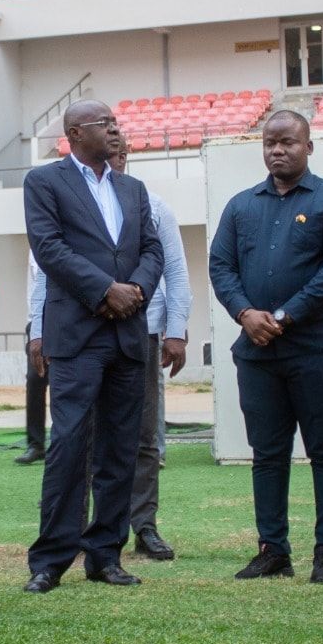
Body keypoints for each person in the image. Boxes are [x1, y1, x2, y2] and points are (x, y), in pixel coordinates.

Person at [209, 111, 323, 584]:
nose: (278, 150)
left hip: (316, 348)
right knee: (268, 453)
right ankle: (273, 549)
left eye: (288, 142)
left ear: (308, 146)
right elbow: (221, 266)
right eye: (270, 143)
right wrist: (244, 314)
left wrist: (284, 315)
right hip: (258, 352)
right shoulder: (240, 206)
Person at [20, 99, 163, 593]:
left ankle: (106, 554)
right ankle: (51, 558)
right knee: (68, 444)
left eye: (117, 123)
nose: (116, 131)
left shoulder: (133, 188)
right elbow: (48, 247)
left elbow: (152, 248)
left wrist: (137, 291)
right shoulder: (44, 182)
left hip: (127, 334)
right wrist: (105, 290)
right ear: (76, 132)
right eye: (107, 124)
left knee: (120, 449)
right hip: (78, 336)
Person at [111, 137, 190, 559]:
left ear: (126, 157)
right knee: (88, 436)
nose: (113, 160)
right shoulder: (68, 202)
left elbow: (175, 270)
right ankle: (95, 527)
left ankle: (144, 526)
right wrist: (40, 332)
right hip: (86, 335)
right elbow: (44, 271)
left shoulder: (153, 206)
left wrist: (175, 330)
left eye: (119, 153)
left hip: (144, 332)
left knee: (143, 436)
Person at [16, 250, 47, 466]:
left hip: (64, 320)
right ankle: (35, 444)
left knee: (63, 385)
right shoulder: (33, 248)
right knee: (35, 381)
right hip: (36, 323)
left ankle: (63, 444)